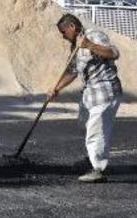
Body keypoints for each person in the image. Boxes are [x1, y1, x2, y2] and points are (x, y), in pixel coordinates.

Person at [48, 13, 122, 183]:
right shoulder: (75, 47)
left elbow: (114, 53)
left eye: (63, 32)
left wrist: (89, 45)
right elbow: (72, 71)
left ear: (72, 27)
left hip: (105, 92)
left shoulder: (94, 36)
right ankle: (91, 159)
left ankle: (97, 168)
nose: (63, 36)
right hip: (89, 95)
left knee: (96, 132)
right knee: (85, 126)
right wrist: (56, 88)